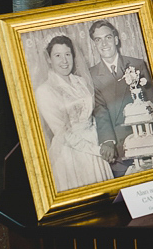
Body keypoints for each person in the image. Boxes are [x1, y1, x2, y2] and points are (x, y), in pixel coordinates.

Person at [34, 35, 114, 192]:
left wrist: (105, 141)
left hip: (96, 143)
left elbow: (93, 114)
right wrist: (97, 151)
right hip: (71, 153)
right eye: (58, 55)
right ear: (49, 59)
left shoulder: (81, 82)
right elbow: (62, 133)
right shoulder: (44, 91)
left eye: (67, 54)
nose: (64, 61)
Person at [88, 20, 153, 176]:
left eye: (108, 37)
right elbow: (100, 111)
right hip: (119, 147)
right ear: (94, 44)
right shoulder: (92, 75)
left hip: (146, 140)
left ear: (116, 40)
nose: (104, 44)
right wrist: (108, 141)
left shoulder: (137, 65)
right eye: (98, 40)